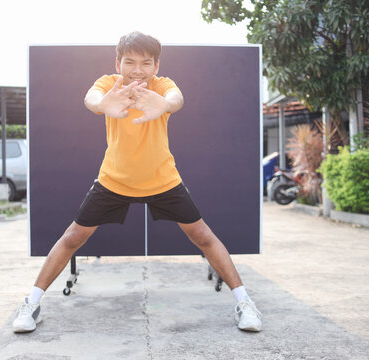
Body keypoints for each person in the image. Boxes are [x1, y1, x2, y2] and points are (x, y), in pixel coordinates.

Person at [13, 31, 262, 333]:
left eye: (146, 63)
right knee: (73, 238)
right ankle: (31, 304)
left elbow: (176, 97)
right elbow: (91, 98)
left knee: (203, 236)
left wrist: (165, 105)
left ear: (156, 66)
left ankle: (245, 303)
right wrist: (103, 104)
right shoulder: (109, 84)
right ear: (118, 62)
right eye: (129, 61)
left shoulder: (161, 86)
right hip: (114, 180)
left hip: (162, 179)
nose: (137, 69)